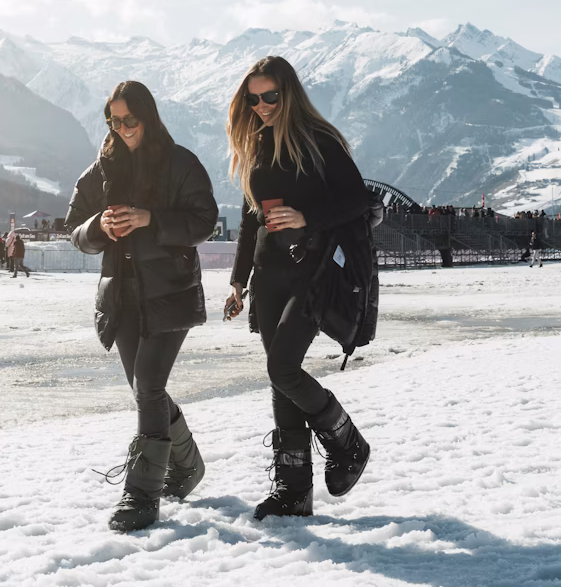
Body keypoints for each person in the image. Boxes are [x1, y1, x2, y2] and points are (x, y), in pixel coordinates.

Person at [223, 57, 373, 522]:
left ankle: (346, 438)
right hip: (269, 273)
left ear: (289, 93)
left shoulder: (319, 140)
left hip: (314, 271)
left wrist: (308, 217)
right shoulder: (257, 145)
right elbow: (252, 220)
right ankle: (293, 492)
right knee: (277, 376)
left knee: (282, 368)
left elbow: (360, 200)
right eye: (253, 98)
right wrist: (237, 281)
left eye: (270, 96)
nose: (262, 105)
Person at [67, 80, 217, 533]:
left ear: (147, 116)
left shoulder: (180, 162)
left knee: (149, 385)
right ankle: (187, 466)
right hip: (122, 297)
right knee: (144, 389)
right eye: (114, 120)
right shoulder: (100, 170)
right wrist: (99, 226)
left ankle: (142, 495)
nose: (122, 128)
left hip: (169, 293)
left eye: (130, 119)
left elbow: (205, 220)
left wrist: (153, 220)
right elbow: (75, 229)